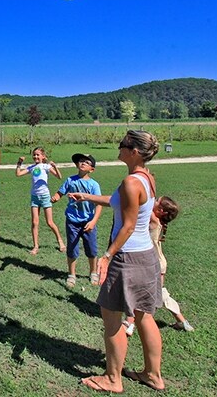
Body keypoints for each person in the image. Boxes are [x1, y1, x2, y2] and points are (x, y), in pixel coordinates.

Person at [69, 130, 165, 393]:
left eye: (123, 144)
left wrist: (107, 256)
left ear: (134, 151)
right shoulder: (146, 178)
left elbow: (129, 225)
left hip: (127, 258)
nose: (118, 147)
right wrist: (86, 196)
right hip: (146, 257)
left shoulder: (131, 183)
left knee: (111, 319)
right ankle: (153, 375)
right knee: (144, 316)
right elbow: (117, 203)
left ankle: (113, 379)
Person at [123, 196, 194, 335]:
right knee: (158, 293)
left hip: (154, 264)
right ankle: (182, 321)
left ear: (160, 210)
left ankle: (130, 324)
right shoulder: (158, 220)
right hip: (158, 263)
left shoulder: (154, 220)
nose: (153, 201)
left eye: (157, 201)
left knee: (138, 292)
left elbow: (141, 203)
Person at [52, 153, 103, 288]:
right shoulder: (70, 180)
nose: (82, 163)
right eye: (81, 161)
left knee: (91, 249)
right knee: (72, 248)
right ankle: (71, 275)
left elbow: (99, 204)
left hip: (88, 222)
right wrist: (56, 197)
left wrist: (93, 222)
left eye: (86, 162)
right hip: (72, 221)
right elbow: (60, 192)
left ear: (91, 169)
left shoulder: (94, 185)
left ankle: (93, 272)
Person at [15, 147, 64, 255]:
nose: (36, 157)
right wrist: (19, 163)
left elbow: (59, 177)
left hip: (45, 196)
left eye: (38, 155)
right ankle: (36, 246)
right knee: (34, 222)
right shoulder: (32, 167)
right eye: (34, 155)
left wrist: (55, 167)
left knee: (50, 222)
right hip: (34, 197)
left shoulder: (46, 167)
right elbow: (18, 174)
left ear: (43, 156)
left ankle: (60, 242)